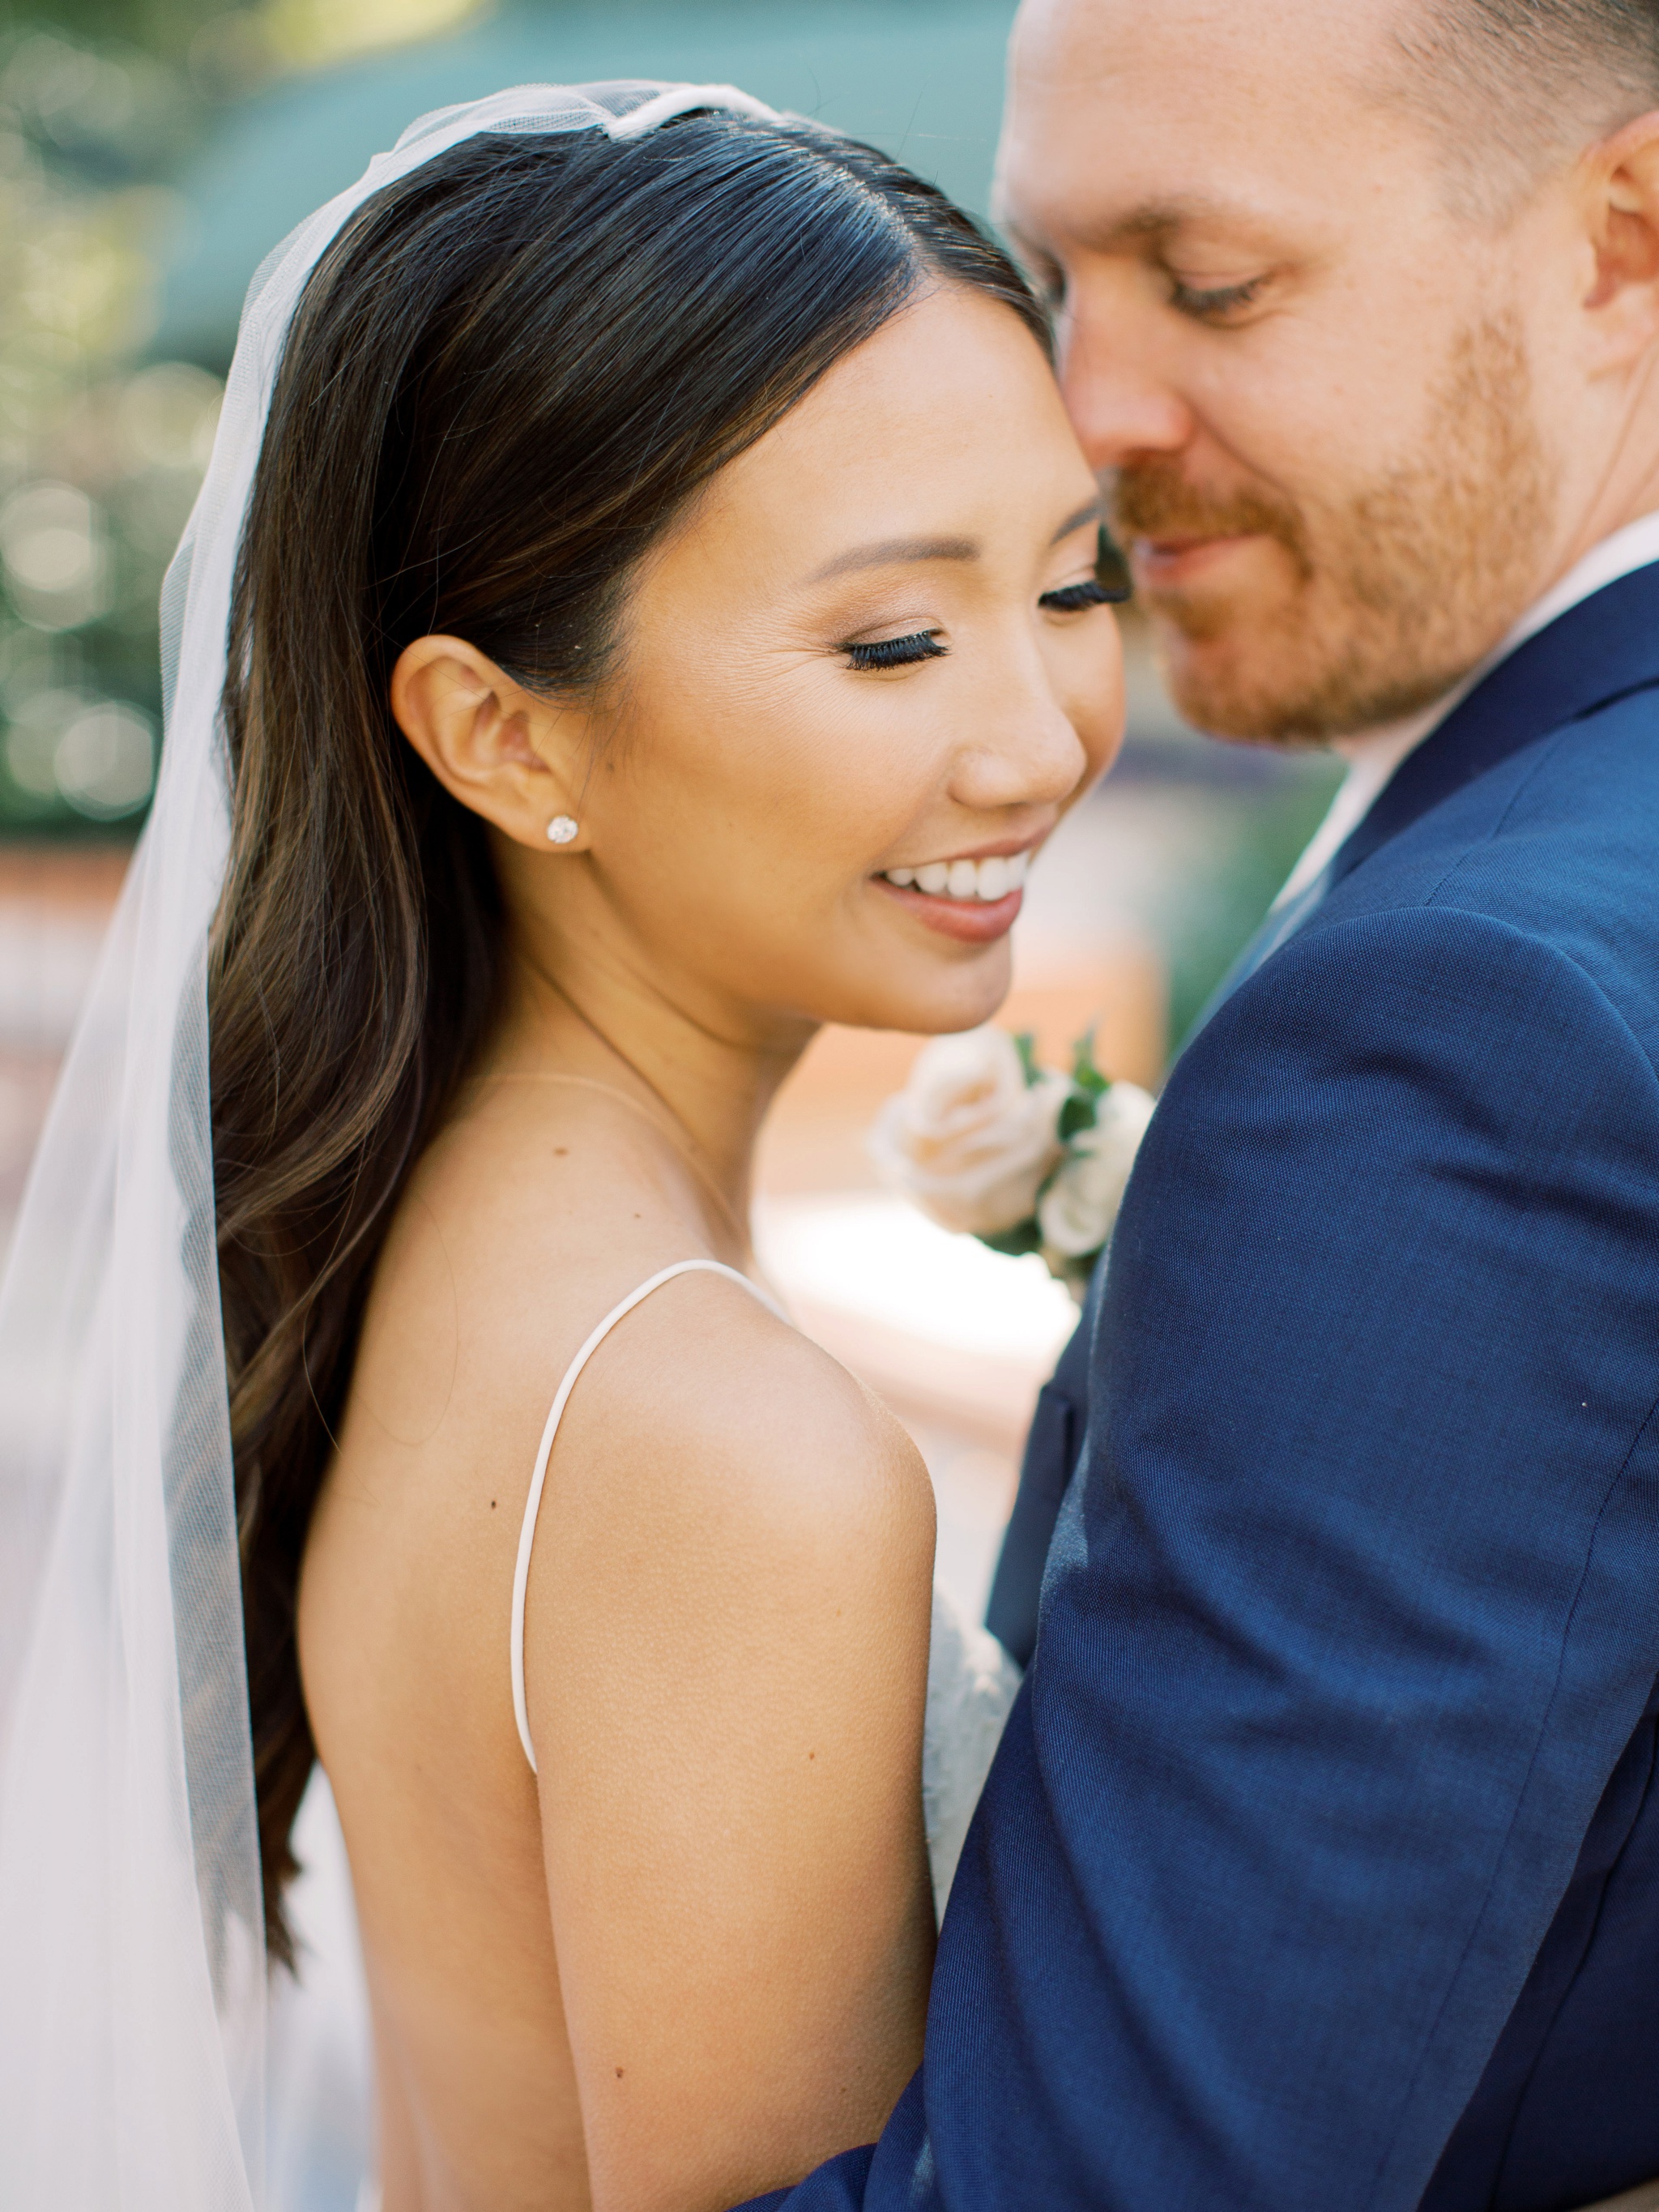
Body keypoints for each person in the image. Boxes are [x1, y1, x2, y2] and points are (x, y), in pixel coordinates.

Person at [0, 79, 1123, 2212]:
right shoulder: (712, 1434)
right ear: (501, 735)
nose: (1040, 735)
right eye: (894, 638)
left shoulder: (443, 1246)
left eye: (1077, 586)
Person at [759, 0, 1659, 2206]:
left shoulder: (1461, 1027)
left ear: (1625, 236)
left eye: (1213, 281)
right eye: (1056, 277)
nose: (1084, 412)